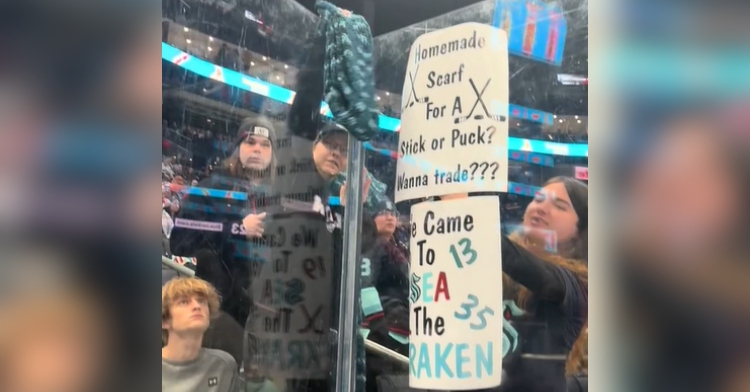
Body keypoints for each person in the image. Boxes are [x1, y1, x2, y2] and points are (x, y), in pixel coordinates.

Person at [170, 116, 277, 327]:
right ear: (238, 148)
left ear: (273, 154)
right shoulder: (211, 188)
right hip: (219, 314)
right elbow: (179, 241)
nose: (257, 149)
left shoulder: (279, 198)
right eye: (250, 142)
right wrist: (236, 229)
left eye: (265, 145)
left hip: (265, 316)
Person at [493, 176, 588, 392]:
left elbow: (537, 274)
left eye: (559, 205)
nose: (541, 208)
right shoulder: (493, 265)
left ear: (580, 233)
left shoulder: (578, 283)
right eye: (538, 199)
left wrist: (464, 221)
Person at [162, 277, 240, 392]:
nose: (197, 306)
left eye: (201, 301)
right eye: (183, 302)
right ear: (164, 321)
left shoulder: (223, 365)